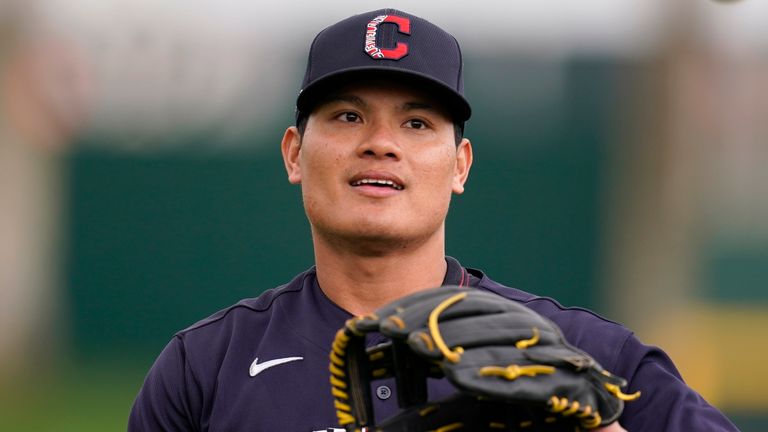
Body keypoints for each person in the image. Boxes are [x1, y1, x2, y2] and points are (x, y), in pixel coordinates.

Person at [128, 8, 738, 431]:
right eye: (347, 116)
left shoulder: (588, 354)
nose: (381, 143)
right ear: (294, 152)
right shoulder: (205, 367)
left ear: (459, 165)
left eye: (417, 124)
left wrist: (596, 425)